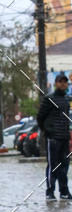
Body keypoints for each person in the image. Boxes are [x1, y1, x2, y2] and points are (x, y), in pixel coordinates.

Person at [37, 71, 72, 200]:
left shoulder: (67, 99)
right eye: (60, 82)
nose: (63, 84)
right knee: (53, 165)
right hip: (53, 138)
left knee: (65, 165)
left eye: (65, 82)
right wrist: (48, 131)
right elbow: (40, 117)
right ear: (56, 83)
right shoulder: (49, 98)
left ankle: (64, 191)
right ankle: (50, 192)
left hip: (64, 137)